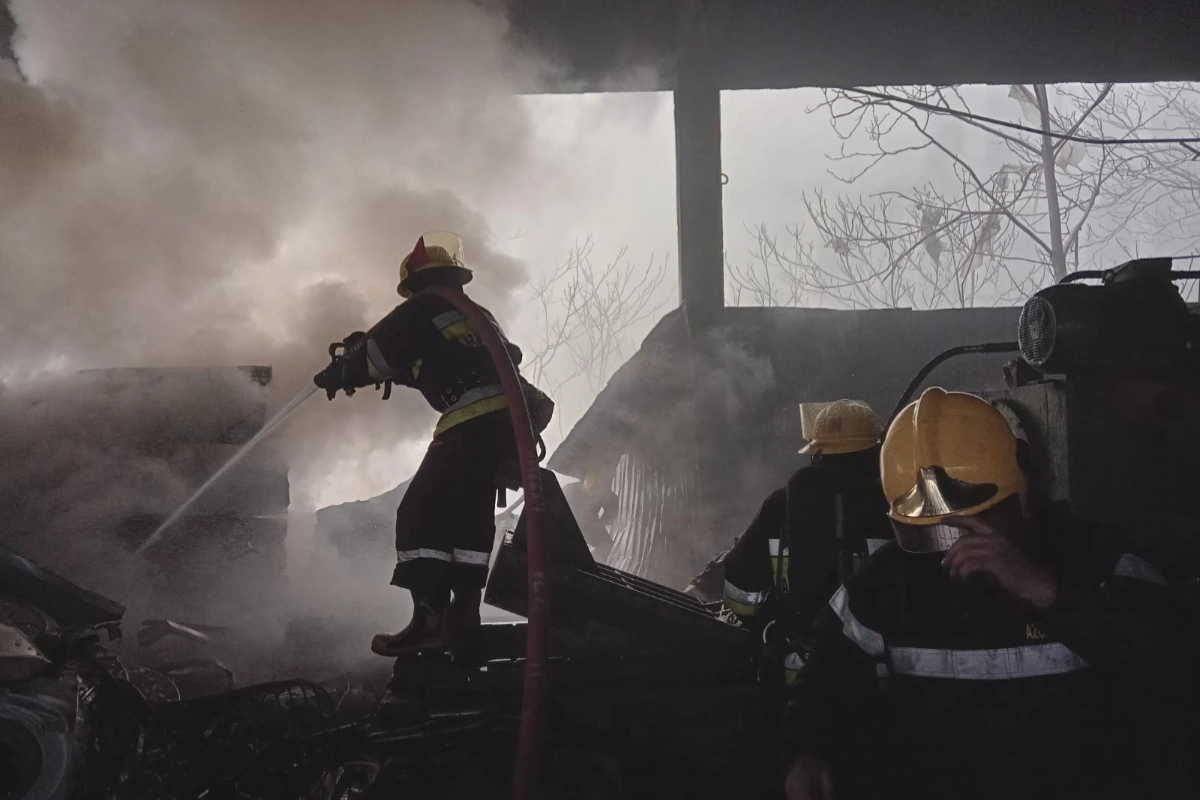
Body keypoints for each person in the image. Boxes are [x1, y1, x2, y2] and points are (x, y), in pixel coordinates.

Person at [783, 387, 1197, 800]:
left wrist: (1048, 591)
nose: (951, 545)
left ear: (1022, 493)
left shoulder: (1101, 562)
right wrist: (807, 753)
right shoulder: (887, 583)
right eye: (926, 532)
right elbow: (825, 683)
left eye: (972, 525)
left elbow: (1175, 664)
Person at [315, 231, 553, 658]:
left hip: (471, 423)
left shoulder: (420, 309)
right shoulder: (471, 315)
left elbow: (379, 355)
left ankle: (427, 617)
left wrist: (343, 372)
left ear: (414, 284)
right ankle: (460, 620)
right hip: (506, 428)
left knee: (419, 514)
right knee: (466, 523)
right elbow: (434, 364)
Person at [721, 399, 891, 684]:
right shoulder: (896, 510)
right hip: (872, 687)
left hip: (793, 681)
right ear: (876, 453)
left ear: (818, 454)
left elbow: (740, 591)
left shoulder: (781, 505)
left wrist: (771, 625)